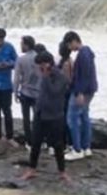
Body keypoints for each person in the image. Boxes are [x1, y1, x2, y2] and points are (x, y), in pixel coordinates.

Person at [18, 51, 70, 181]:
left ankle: (62, 172)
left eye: (40, 65)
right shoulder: (41, 75)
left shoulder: (61, 77)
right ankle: (31, 169)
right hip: (40, 114)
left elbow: (54, 92)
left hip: (55, 116)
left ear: (48, 64)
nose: (38, 68)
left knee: (58, 145)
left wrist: (46, 77)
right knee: (36, 143)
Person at [64, 31, 97, 161]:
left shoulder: (82, 54)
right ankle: (86, 147)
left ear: (74, 41)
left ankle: (77, 150)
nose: (69, 48)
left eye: (69, 44)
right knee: (84, 117)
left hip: (82, 91)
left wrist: (79, 93)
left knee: (72, 118)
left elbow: (83, 76)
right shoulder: (87, 52)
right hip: (90, 89)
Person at [14, 35, 41, 146]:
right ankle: (38, 140)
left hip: (25, 93)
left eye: (22, 44)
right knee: (37, 119)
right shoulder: (40, 58)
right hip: (38, 93)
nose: (21, 46)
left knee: (26, 118)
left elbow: (16, 78)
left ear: (26, 45)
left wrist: (15, 92)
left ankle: (29, 142)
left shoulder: (21, 59)